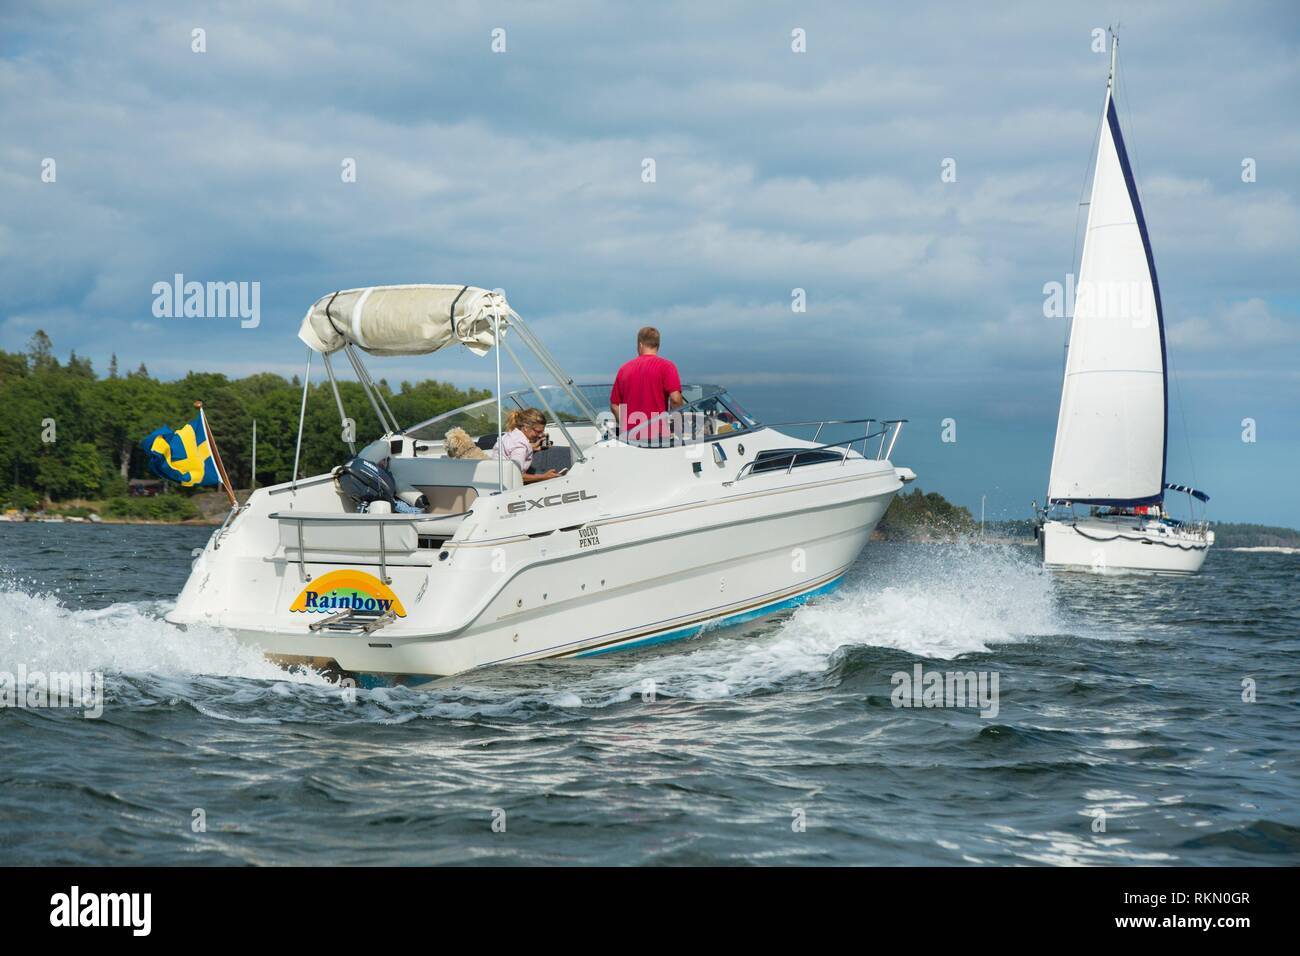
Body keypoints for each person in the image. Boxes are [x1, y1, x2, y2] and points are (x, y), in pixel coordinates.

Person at [610, 326, 684, 443]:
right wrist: (675, 426)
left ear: (640, 344)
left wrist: (626, 427)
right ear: (658, 345)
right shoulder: (667, 366)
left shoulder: (624, 369)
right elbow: (676, 399)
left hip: (631, 439)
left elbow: (615, 406)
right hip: (658, 436)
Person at [493, 408, 559, 483]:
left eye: (542, 432)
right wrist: (544, 477)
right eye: (538, 431)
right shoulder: (520, 447)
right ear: (526, 428)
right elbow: (517, 475)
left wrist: (531, 448)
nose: (540, 435)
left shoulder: (510, 435)